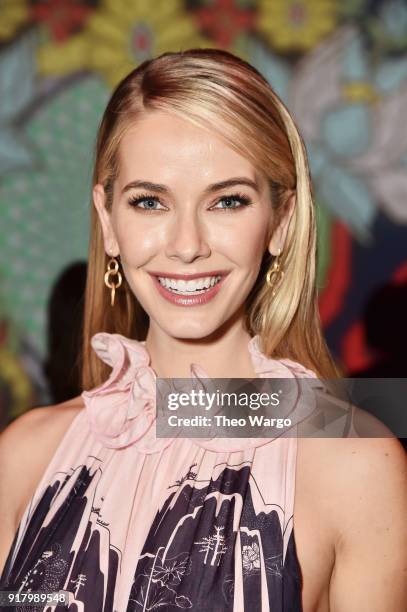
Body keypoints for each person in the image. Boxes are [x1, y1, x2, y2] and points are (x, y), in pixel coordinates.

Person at [0, 49, 405, 612]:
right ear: (108, 219)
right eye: (149, 202)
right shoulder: (23, 455)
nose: (187, 245)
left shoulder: (354, 463)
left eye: (227, 201)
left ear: (281, 222)